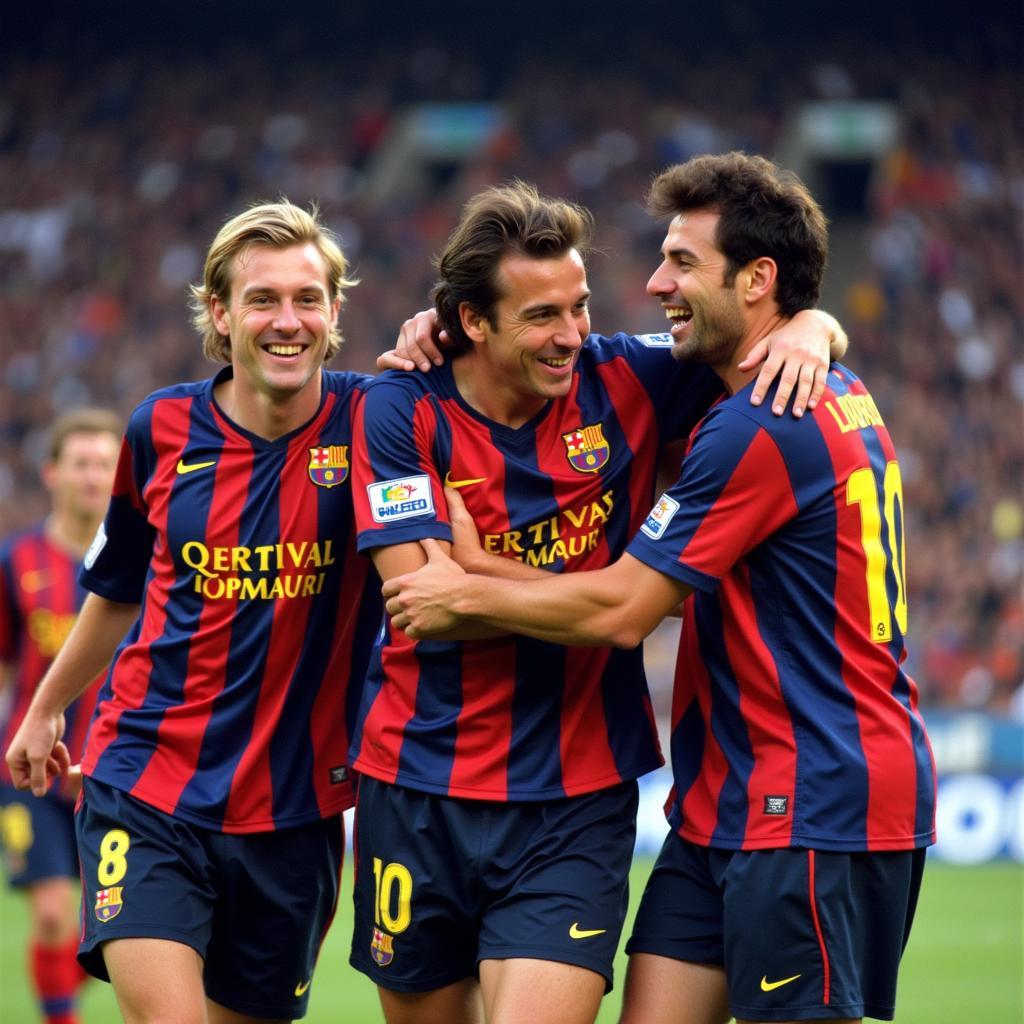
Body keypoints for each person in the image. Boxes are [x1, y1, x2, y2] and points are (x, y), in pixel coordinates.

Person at [383, 154, 937, 1024]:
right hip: (728, 799)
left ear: (757, 281)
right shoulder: (795, 386)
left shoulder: (765, 421)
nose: (655, 282)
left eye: (682, 262)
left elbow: (623, 610)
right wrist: (814, 325)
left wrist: (470, 583)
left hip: (816, 798)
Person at [5, 201, 381, 1024]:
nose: (289, 321)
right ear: (220, 311)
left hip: (296, 805)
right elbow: (115, 591)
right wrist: (44, 709)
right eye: (263, 299)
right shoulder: (161, 427)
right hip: (148, 780)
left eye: (308, 298)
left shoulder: (376, 423)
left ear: (335, 311)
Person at [0, 408, 121, 1024]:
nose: (94, 476)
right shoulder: (15, 560)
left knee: (112, 933)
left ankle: (57, 995)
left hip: (111, 771)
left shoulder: (144, 566)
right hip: (30, 775)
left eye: (105, 463)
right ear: (52, 473)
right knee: (51, 913)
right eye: (81, 463)